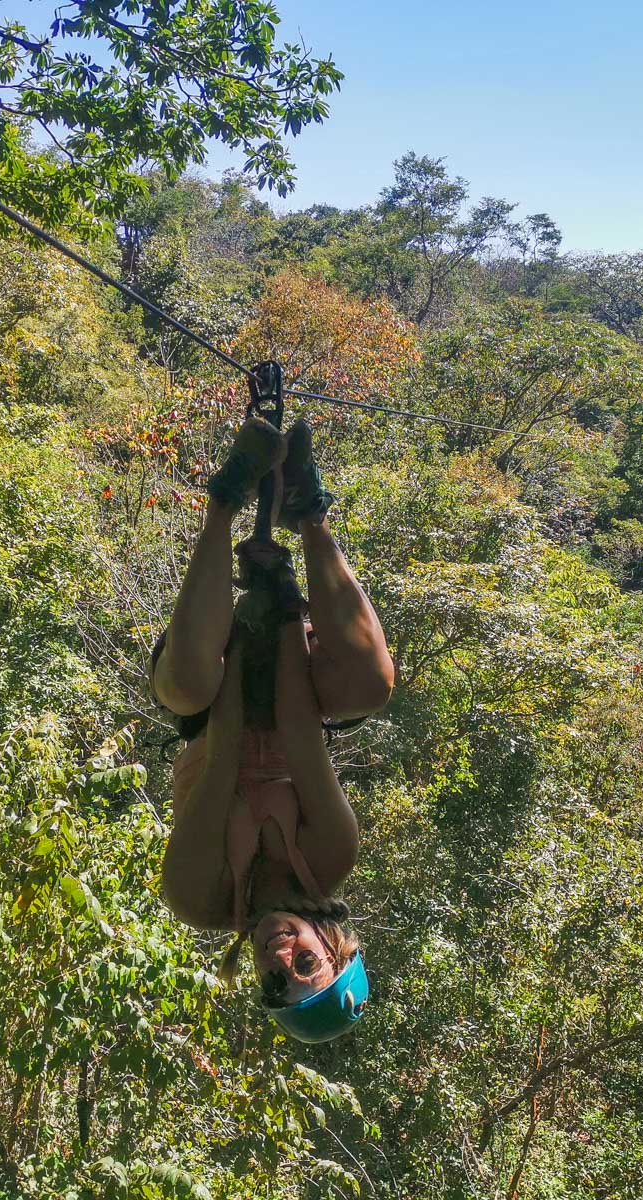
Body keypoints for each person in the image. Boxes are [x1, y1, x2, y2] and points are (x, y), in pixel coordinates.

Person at [153, 417, 394, 1042]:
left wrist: (238, 630)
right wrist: (284, 597)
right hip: (293, 690)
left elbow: (224, 754)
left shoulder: (196, 896)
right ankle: (309, 511)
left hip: (213, 699)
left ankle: (224, 500)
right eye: (305, 963)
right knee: (371, 686)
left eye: (273, 978)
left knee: (182, 686)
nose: (280, 956)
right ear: (332, 946)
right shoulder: (331, 856)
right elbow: (302, 733)